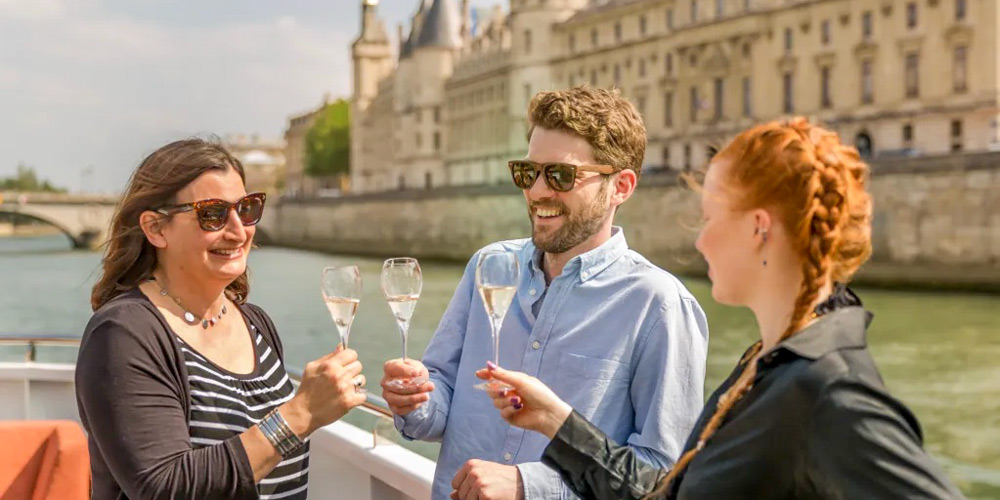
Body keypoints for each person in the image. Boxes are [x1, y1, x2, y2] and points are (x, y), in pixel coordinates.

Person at [479, 118, 965, 499]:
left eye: (710, 218)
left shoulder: (826, 390)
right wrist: (557, 422)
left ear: (759, 228)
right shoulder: (770, 362)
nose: (701, 241)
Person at [380, 86, 710, 500]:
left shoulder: (659, 306)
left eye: (560, 175)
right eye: (527, 172)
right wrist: (415, 399)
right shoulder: (488, 266)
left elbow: (665, 478)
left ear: (621, 186)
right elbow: (443, 395)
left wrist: (528, 487)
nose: (537, 192)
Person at [76, 138, 367, 500]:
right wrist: (300, 412)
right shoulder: (125, 333)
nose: (238, 230)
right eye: (212, 213)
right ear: (155, 229)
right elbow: (164, 488)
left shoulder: (256, 324)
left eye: (247, 209)